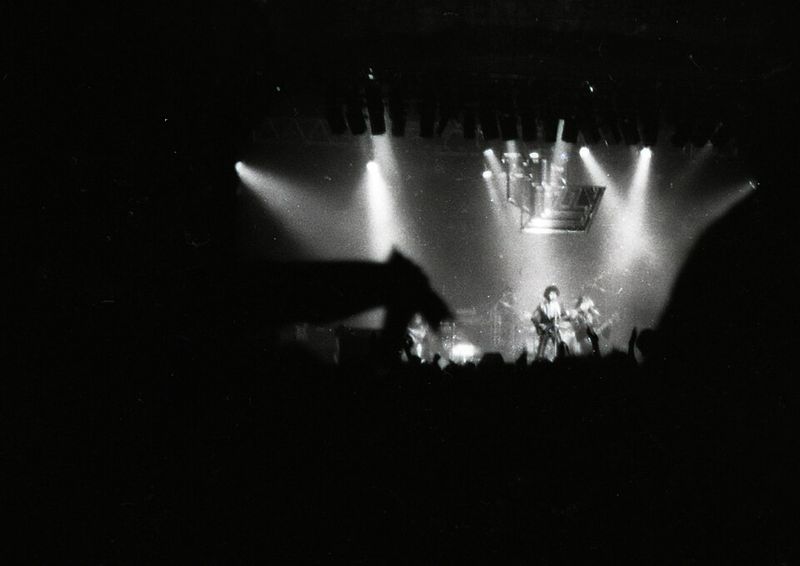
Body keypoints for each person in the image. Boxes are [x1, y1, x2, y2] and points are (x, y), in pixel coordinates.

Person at [531, 285, 567, 361]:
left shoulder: (560, 305)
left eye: (555, 294)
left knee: (559, 348)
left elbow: (565, 316)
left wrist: (562, 319)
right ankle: (539, 363)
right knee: (541, 349)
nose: (553, 296)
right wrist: (539, 325)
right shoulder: (542, 305)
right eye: (551, 294)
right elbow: (533, 317)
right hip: (545, 329)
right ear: (547, 294)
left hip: (555, 328)